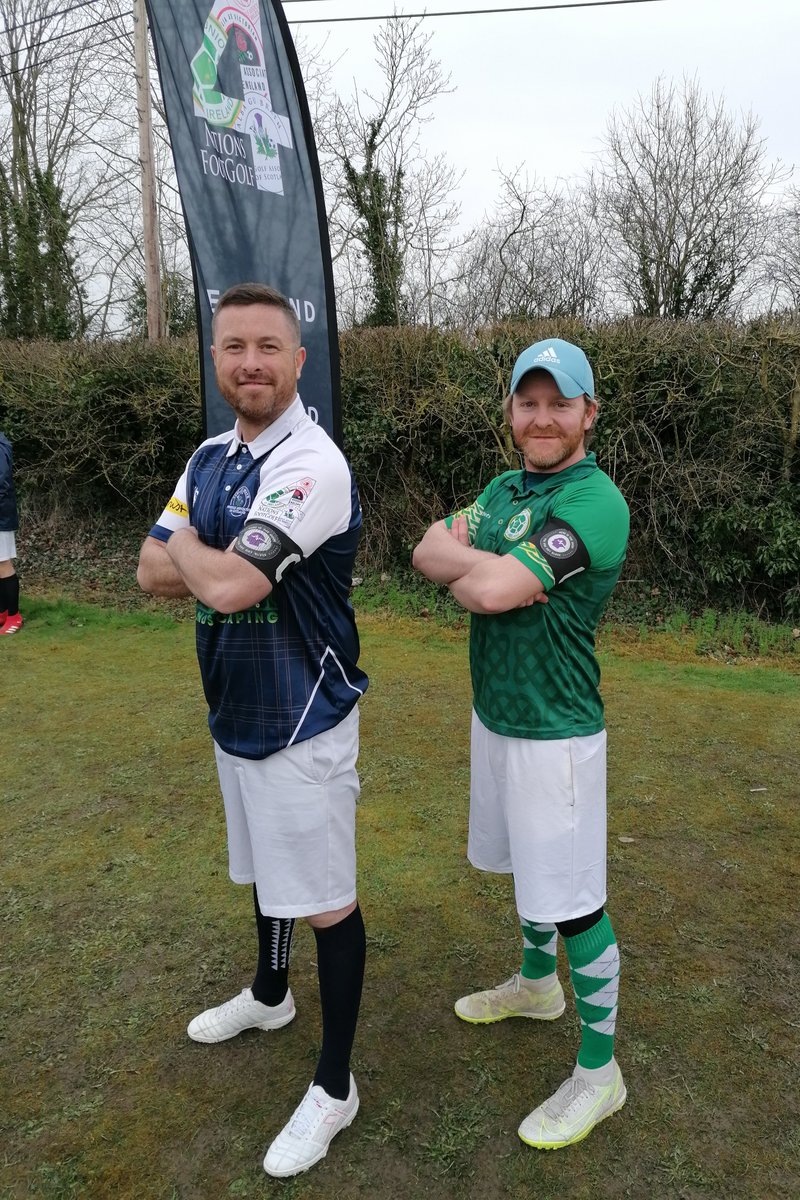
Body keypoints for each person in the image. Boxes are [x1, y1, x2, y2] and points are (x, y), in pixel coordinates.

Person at [137, 283, 367, 1178]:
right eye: (234, 347)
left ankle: (335, 1087)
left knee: (323, 896)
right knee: (265, 869)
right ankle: (271, 994)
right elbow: (148, 571)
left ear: (298, 360)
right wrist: (202, 558)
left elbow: (228, 586)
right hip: (234, 705)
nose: (250, 363)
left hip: (303, 714)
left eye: (268, 347)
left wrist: (194, 554)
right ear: (216, 357)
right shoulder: (207, 455)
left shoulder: (312, 463)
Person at [412, 338, 630, 1151]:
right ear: (511, 411)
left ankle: (600, 1073)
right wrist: (480, 569)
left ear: (587, 413)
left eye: (558, 403)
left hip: (557, 732)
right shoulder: (505, 489)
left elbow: (490, 586)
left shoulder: (597, 500)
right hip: (495, 715)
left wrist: (477, 570)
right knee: (526, 875)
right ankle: (539, 986)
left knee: (575, 902)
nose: (542, 417)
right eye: (527, 402)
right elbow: (424, 550)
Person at [0, 431, 22, 636]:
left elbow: (2, 481)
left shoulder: (0, 445)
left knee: (3, 563)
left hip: (0, 516)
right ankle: (3, 611)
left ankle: (14, 616)